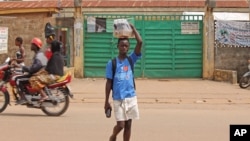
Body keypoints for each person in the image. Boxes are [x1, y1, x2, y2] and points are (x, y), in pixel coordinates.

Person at [104, 24, 142, 141]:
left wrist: (133, 29)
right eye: (122, 45)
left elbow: (140, 42)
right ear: (118, 46)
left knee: (129, 125)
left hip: (130, 97)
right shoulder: (112, 63)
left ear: (128, 47)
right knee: (121, 125)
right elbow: (109, 83)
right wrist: (106, 101)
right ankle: (113, 135)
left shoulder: (131, 59)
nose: (124, 48)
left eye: (126, 46)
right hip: (118, 98)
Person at [14, 37, 48, 105]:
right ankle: (27, 93)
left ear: (35, 46)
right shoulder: (38, 54)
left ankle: (23, 98)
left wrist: (25, 68)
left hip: (36, 75)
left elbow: (35, 68)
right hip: (36, 73)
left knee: (17, 79)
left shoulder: (39, 55)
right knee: (21, 77)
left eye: (32, 44)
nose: (31, 46)